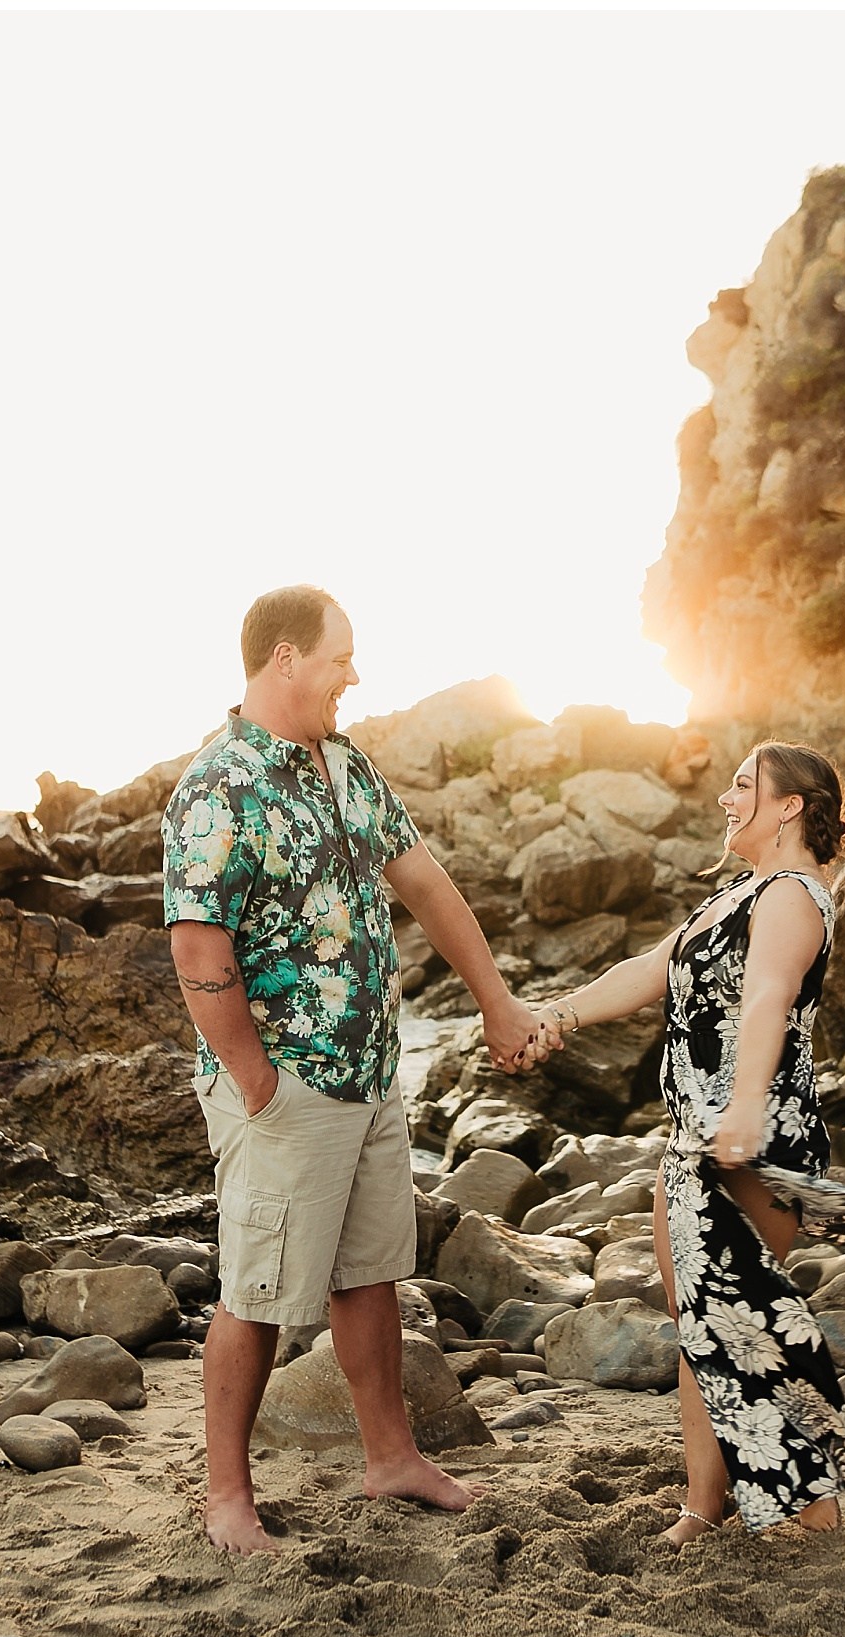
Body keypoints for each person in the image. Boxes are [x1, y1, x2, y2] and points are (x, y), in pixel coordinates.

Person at [520, 742, 845, 1547]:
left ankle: (817, 1515)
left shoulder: (795, 897)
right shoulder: (739, 894)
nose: (726, 798)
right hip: (695, 1132)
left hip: (753, 1138)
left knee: (746, 1320)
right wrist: (554, 1015)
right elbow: (649, 967)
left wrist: (743, 1110)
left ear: (790, 805)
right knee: (700, 1318)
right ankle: (705, 1503)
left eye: (742, 785)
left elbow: (767, 999)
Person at [160, 584, 545, 1555]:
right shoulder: (218, 787)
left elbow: (424, 884)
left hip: (371, 1076)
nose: (354, 673)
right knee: (256, 1292)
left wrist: (495, 999)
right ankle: (225, 1498)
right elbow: (199, 954)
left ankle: (391, 1457)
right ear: (284, 658)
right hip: (285, 1084)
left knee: (368, 1275)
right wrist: (253, 1082)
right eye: (340, 657)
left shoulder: (345, 769)